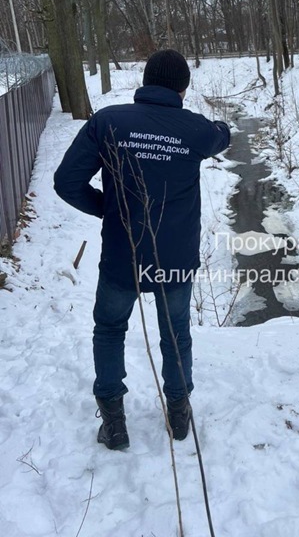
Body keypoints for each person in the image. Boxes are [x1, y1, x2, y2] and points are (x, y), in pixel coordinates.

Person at [54, 49, 230, 449]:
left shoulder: (109, 121)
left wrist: (110, 211)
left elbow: (66, 182)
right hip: (174, 259)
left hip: (123, 255)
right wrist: (217, 124)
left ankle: (114, 421)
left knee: (111, 328)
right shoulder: (194, 128)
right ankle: (179, 412)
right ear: (183, 88)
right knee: (175, 332)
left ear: (146, 81)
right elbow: (222, 136)